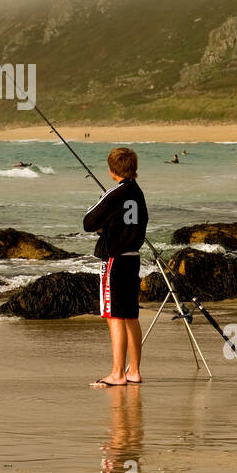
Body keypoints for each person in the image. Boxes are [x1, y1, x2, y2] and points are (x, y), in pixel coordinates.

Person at [84, 147, 148, 387]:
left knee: (114, 317)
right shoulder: (138, 193)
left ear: (112, 171)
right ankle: (135, 371)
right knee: (131, 315)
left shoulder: (114, 193)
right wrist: (110, 225)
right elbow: (135, 222)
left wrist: (105, 226)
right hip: (133, 259)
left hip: (114, 260)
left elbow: (88, 221)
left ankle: (118, 373)